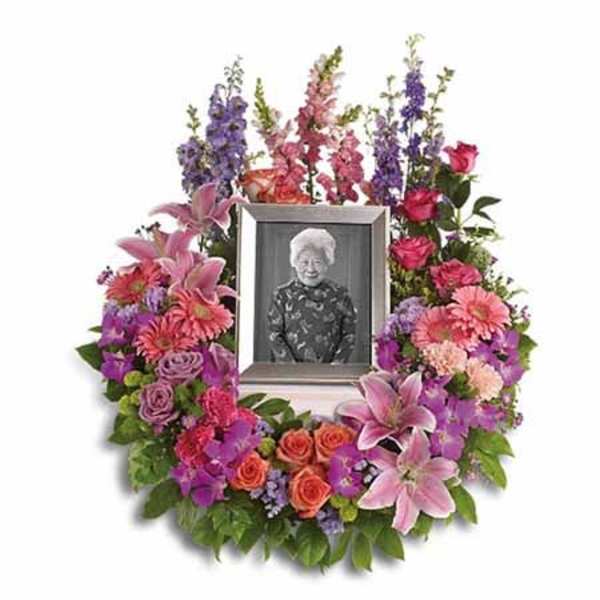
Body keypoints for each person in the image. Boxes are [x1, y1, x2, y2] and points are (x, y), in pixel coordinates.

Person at [267, 228, 357, 363]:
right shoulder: (282, 295)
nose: (311, 269)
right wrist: (291, 369)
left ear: (327, 263)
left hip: (330, 372)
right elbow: (274, 335)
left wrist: (335, 367)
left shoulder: (340, 295)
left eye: (317, 262)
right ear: (295, 263)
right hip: (289, 373)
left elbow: (349, 335)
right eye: (304, 262)